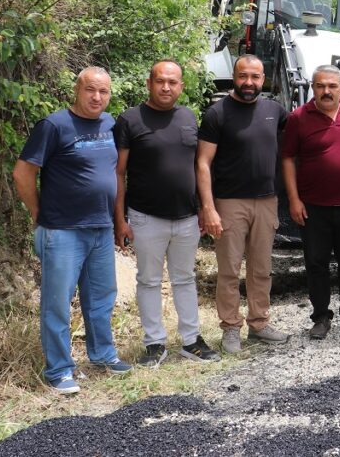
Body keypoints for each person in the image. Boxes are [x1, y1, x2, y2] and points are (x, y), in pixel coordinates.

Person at [13, 67, 133, 394]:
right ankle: (59, 370)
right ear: (77, 90)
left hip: (100, 229)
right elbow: (23, 173)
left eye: (104, 92)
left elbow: (115, 174)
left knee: (101, 298)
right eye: (90, 90)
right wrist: (38, 211)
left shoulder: (112, 125)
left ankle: (103, 354)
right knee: (57, 303)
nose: (97, 97)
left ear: (110, 94)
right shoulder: (54, 125)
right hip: (62, 231)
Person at [113, 60, 220, 368]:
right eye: (160, 81)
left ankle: (191, 341)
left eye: (173, 82)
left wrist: (202, 207)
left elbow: (198, 166)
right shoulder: (130, 120)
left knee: (185, 279)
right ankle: (154, 344)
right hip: (146, 217)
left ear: (181, 86)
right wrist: (119, 219)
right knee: (148, 280)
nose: (166, 87)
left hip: (186, 218)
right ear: (149, 83)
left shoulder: (188, 117)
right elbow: (118, 173)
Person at [198, 54, 290, 354]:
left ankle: (259, 324)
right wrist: (209, 207)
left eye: (255, 77)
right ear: (235, 76)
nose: (249, 82)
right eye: (243, 76)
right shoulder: (217, 113)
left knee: (262, 268)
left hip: (266, 202)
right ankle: (230, 328)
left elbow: (305, 122)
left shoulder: (275, 110)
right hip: (229, 203)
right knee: (228, 270)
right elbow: (202, 163)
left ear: (263, 79)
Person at [281, 65, 340, 339]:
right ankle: (321, 317)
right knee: (316, 263)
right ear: (313, 87)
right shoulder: (298, 118)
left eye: (332, 86)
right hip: (313, 207)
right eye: (320, 86)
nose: (326, 91)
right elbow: (287, 158)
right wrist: (294, 199)